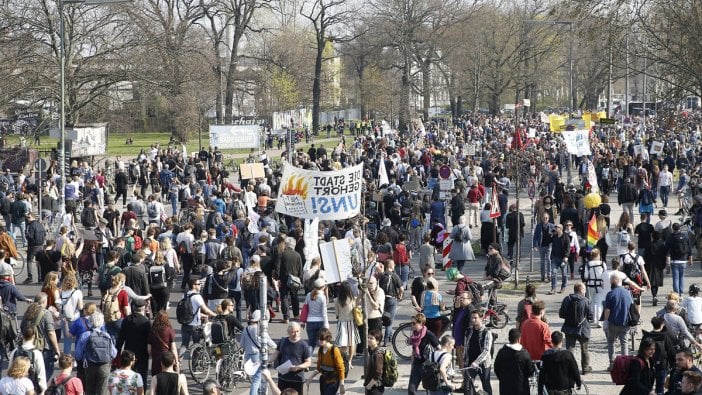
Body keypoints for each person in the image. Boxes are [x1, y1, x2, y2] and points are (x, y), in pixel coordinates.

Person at [75, 312, 118, 395]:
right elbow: (114, 353)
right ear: (102, 323)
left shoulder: (85, 335)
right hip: (104, 366)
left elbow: (78, 355)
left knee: (90, 389)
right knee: (102, 390)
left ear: (90, 322)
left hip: (89, 365)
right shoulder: (106, 335)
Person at [19, 293, 60, 377]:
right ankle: (39, 389)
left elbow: (22, 327)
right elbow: (51, 332)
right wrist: (57, 349)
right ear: (43, 302)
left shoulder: (28, 311)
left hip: (29, 344)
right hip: (44, 347)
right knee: (46, 371)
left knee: (30, 371)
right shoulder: (46, 313)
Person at [559, 283, 593, 374]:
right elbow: (591, 316)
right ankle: (585, 368)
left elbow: (561, 314)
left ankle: (569, 368)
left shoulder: (567, 299)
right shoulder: (586, 300)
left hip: (569, 328)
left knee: (569, 349)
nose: (585, 291)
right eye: (585, 289)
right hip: (583, 328)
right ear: (582, 290)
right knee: (584, 349)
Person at [241, 310, 277, 395]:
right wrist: (277, 347)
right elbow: (268, 341)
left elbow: (242, 344)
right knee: (257, 379)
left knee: (256, 378)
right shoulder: (259, 329)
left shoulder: (245, 329)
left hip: (248, 356)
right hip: (257, 355)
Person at [179, 278, 217, 355]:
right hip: (195, 325)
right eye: (199, 284)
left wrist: (202, 315)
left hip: (185, 323)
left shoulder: (185, 295)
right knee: (197, 345)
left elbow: (190, 311)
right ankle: (195, 365)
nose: (200, 286)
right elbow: (206, 310)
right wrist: (216, 315)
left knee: (184, 345)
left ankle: (178, 362)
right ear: (194, 285)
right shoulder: (197, 296)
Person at [116, 298, 151, 382]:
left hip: (128, 352)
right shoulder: (146, 322)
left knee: (128, 377)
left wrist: (118, 351)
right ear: (143, 309)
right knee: (142, 377)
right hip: (142, 354)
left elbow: (121, 337)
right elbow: (149, 340)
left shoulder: (126, 320)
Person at [272, 322, 311, 394]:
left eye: (297, 331)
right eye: (293, 332)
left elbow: (308, 362)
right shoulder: (283, 341)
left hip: (297, 379)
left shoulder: (303, 345)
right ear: (288, 332)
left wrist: (298, 367)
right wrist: (264, 361)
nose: (296, 334)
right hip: (283, 378)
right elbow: (275, 354)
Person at [604, 275, 633, 370]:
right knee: (624, 343)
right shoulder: (628, 293)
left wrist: (605, 321)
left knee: (611, 342)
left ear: (614, 282)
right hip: (625, 322)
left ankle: (612, 364)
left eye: (610, 281)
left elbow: (607, 310)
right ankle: (625, 365)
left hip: (613, 322)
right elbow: (632, 307)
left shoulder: (610, 294)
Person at [306, 328, 346, 395]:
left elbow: (341, 368)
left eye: (322, 339)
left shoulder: (334, 350)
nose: (319, 341)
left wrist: (342, 385)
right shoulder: (320, 350)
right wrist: (310, 377)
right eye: (318, 338)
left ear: (327, 338)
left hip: (334, 381)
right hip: (323, 380)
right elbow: (318, 368)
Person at [493, 328, 533, 395]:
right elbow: (529, 371)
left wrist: (502, 378)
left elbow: (496, 368)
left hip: (505, 386)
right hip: (521, 386)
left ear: (509, 338)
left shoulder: (502, 352)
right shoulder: (524, 354)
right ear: (519, 339)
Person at [463, 309, 494, 394]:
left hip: (483, 364)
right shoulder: (469, 330)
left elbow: (486, 350)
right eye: (472, 318)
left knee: (486, 384)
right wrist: (465, 360)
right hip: (470, 363)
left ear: (481, 318)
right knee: (467, 386)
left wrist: (476, 362)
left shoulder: (486, 332)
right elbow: (466, 347)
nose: (473, 320)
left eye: (475, 318)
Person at [408, 313, 439, 395]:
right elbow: (414, 351)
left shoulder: (429, 334)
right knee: (411, 390)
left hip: (427, 367)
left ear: (421, 323)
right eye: (411, 323)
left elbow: (439, 347)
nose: (412, 325)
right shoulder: (414, 335)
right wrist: (412, 365)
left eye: (414, 323)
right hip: (416, 364)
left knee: (429, 391)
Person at [9, 327, 47, 394]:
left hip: (15, 386)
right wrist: (43, 389)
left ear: (23, 336)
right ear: (34, 336)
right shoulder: (36, 353)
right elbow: (41, 373)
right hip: (31, 387)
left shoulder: (15, 351)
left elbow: (10, 369)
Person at [149, 310, 179, 377]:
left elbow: (149, 349)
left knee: (156, 379)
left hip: (156, 360)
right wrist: (176, 361)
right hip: (167, 359)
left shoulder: (152, 331)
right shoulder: (169, 330)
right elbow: (173, 348)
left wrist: (154, 355)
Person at [380, 259, 403, 346]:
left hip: (382, 299)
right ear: (391, 266)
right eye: (393, 265)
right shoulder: (394, 276)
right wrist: (400, 295)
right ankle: (386, 340)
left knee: (385, 318)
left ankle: (390, 335)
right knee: (390, 320)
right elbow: (401, 288)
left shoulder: (381, 276)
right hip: (391, 299)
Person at [666, 222, 694, 295]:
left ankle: (676, 294)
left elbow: (666, 250)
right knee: (681, 278)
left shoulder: (670, 237)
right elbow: (689, 248)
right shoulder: (685, 236)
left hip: (674, 261)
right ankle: (681, 294)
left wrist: (667, 263)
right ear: (680, 228)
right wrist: (690, 259)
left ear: (673, 228)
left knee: (675, 278)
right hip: (683, 260)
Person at [582, 248, 606, 326]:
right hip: (600, 285)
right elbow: (605, 275)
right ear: (598, 255)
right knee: (599, 302)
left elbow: (585, 276)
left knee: (592, 301)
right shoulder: (602, 263)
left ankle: (593, 318)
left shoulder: (588, 264)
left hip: (591, 285)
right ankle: (599, 320)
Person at [304, 278, 329, 346]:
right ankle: (321, 356)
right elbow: (324, 312)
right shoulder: (322, 297)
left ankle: (308, 356)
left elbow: (305, 308)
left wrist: (303, 321)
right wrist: (326, 325)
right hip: (320, 322)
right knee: (322, 343)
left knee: (311, 344)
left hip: (310, 321)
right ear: (323, 287)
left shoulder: (309, 295)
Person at [548, 223, 571, 294]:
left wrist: (566, 256)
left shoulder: (565, 237)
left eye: (557, 227)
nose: (555, 228)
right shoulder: (554, 236)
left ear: (561, 229)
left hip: (563, 258)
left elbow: (568, 247)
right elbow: (547, 241)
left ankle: (563, 287)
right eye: (555, 227)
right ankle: (553, 288)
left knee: (564, 274)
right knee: (553, 273)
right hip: (554, 257)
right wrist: (550, 234)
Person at [533, 213, 555, 282]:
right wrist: (535, 245)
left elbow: (555, 236)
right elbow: (535, 236)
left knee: (548, 260)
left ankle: (549, 275)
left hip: (549, 245)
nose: (545, 219)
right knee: (542, 261)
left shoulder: (552, 226)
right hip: (541, 245)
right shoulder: (539, 226)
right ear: (542, 218)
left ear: (548, 218)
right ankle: (542, 276)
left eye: (546, 218)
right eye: (544, 218)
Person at [364, 329, 385, 394]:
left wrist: (369, 386)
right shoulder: (373, 352)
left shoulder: (378, 354)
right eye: (368, 337)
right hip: (372, 387)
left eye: (372, 338)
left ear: (377, 341)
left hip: (375, 388)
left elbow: (378, 373)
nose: (369, 340)